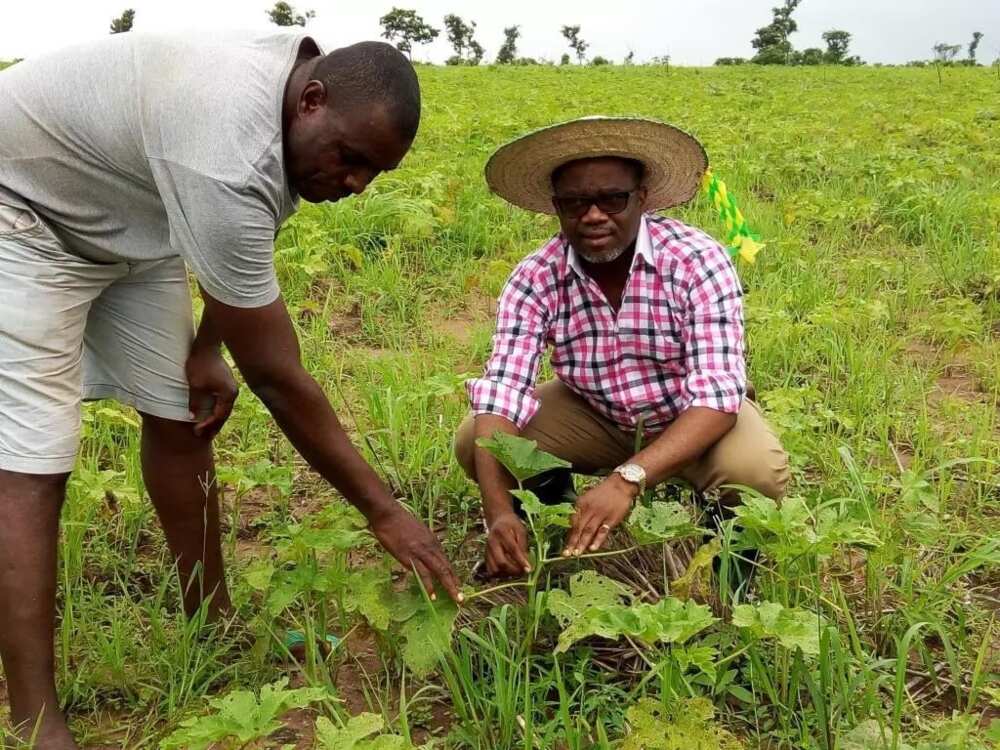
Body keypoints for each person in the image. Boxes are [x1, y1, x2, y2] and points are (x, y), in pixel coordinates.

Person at [0, 32, 460, 749]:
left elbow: (245, 241)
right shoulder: (227, 149)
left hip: (134, 211)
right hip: (22, 212)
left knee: (180, 415)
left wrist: (208, 346)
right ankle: (35, 720)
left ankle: (210, 620)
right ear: (311, 100)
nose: (355, 185)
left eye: (376, 173)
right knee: (35, 461)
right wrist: (385, 511)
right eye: (352, 160)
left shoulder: (290, 116)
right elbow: (278, 376)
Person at [455, 117, 790, 579]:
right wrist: (498, 514)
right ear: (556, 207)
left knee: (755, 472)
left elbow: (717, 395)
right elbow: (502, 392)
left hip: (688, 413)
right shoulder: (535, 277)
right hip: (594, 411)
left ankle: (730, 573)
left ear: (642, 199)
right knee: (477, 437)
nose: (593, 215)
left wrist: (627, 478)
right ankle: (562, 520)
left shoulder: (696, 259)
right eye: (575, 203)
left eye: (612, 199)